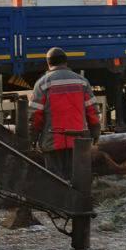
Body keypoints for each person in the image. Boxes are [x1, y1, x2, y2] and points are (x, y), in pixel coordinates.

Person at [29, 47, 100, 178]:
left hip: (53, 141)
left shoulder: (42, 84)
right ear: (66, 62)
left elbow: (35, 116)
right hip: (79, 140)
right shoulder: (82, 81)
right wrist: (95, 132)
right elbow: (92, 111)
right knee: (78, 178)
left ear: (48, 63)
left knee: (56, 180)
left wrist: (32, 138)